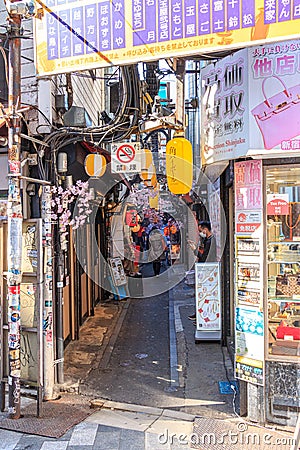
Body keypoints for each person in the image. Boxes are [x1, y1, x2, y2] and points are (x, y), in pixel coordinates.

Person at [188, 221, 217, 322]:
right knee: (203, 294)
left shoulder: (210, 241)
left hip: (208, 270)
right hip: (207, 269)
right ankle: (199, 315)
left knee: (204, 294)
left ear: (205, 229)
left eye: (201, 230)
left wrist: (194, 250)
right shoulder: (208, 240)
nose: (200, 233)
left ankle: (201, 317)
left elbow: (204, 257)